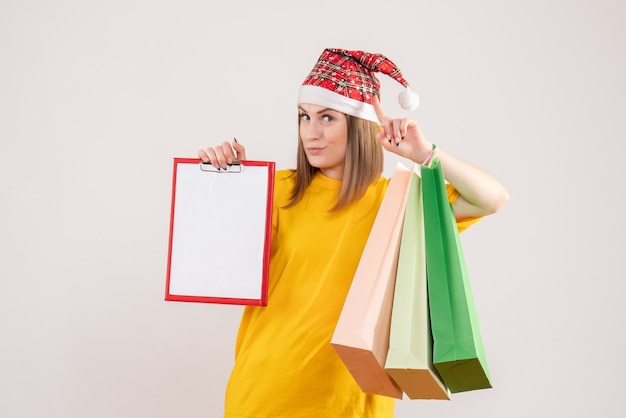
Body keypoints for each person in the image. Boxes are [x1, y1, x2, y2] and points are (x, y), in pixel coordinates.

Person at [198, 48, 509, 418]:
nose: (310, 133)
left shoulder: (398, 203)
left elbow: (490, 199)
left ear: (359, 125)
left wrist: (426, 154)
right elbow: (214, 264)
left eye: (327, 117)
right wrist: (226, 185)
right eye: (304, 117)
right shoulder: (275, 190)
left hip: (352, 403)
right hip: (263, 396)